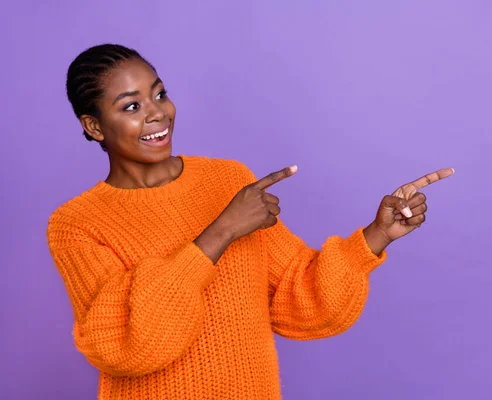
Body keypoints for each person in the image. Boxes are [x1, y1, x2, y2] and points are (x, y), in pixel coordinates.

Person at [47, 44, 454, 400]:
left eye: (160, 94)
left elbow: (300, 300)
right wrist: (222, 230)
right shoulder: (77, 224)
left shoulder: (228, 180)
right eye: (132, 106)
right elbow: (128, 347)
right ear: (94, 125)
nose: (157, 114)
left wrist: (376, 236)